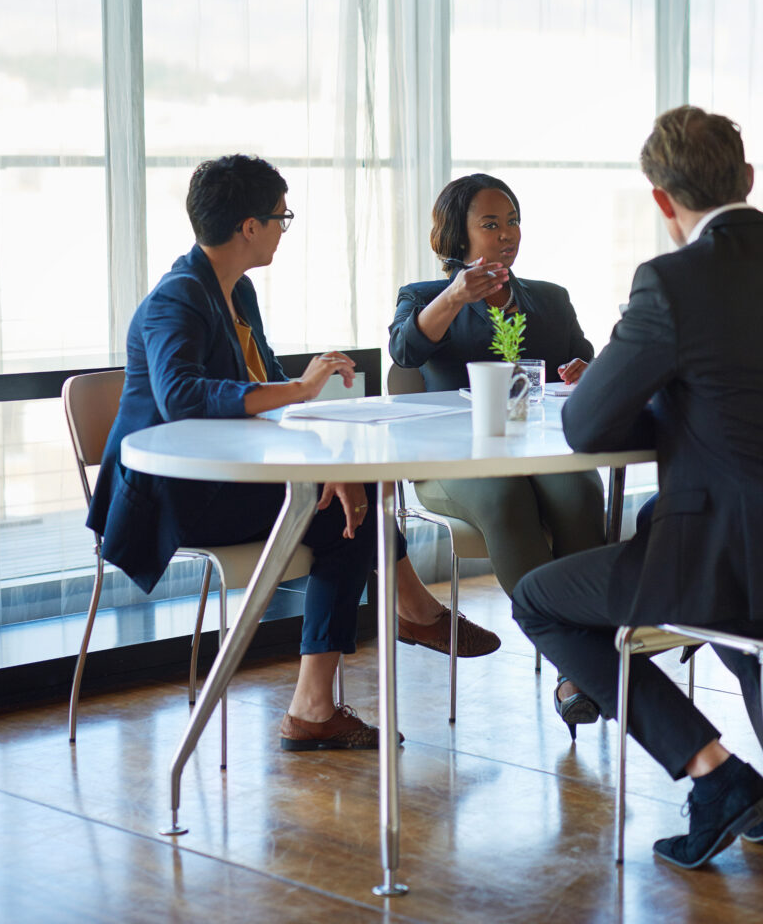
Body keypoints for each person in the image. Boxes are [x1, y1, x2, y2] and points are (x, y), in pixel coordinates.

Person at [511, 106, 763, 869]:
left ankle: (712, 774)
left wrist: (659, 386)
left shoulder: (671, 281)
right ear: (749, 182)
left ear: (661, 200)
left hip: (741, 568)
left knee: (540, 600)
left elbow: (587, 427)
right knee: (708, 556)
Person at [88, 155, 499, 752]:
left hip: (228, 481)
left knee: (348, 503)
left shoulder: (236, 290)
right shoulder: (176, 298)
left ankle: (335, 686)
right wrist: (303, 392)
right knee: (346, 516)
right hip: (174, 495)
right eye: (281, 216)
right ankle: (373, 650)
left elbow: (267, 392)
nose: (285, 226)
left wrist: (323, 463)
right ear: (247, 226)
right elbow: (182, 396)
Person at [388, 173, 607, 730]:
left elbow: (584, 364)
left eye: (512, 221)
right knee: (507, 497)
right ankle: (575, 663)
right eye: (491, 224)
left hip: (536, 453)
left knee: (580, 488)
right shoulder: (422, 298)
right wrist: (455, 295)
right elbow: (405, 351)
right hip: (453, 465)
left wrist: (583, 372)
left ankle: (585, 647)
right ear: (457, 235)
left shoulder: (550, 298)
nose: (507, 234)